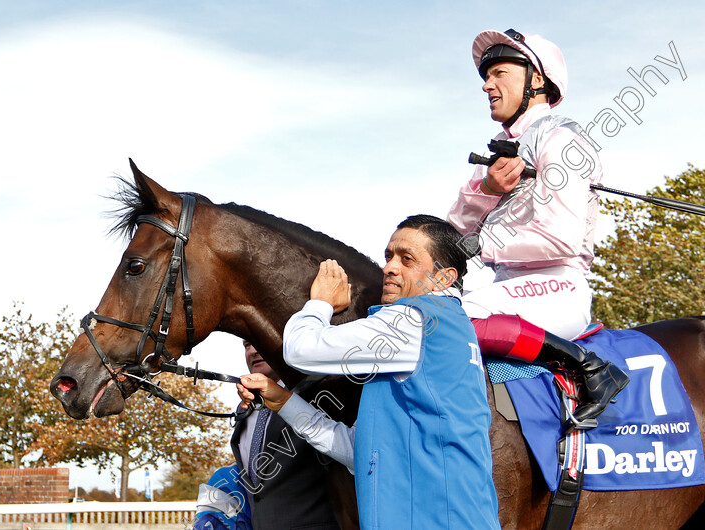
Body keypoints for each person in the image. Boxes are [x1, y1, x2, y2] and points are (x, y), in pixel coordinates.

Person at [238, 215, 501, 529]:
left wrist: (320, 303)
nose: (389, 267)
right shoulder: (440, 330)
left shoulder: (415, 321)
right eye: (389, 256)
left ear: (444, 278)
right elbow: (355, 451)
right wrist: (282, 401)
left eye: (407, 259)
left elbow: (299, 349)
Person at [447, 28, 628, 424]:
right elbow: (451, 236)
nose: (487, 86)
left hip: (558, 286)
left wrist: (482, 245)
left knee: (443, 319)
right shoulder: (495, 149)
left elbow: (559, 239)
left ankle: (590, 368)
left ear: (537, 80)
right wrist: (487, 188)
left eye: (498, 73)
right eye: (484, 76)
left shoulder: (563, 139)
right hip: (506, 288)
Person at [230, 341, 340, 530]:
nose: (253, 350)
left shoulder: (315, 397)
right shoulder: (244, 410)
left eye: (256, 341)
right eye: (247, 345)